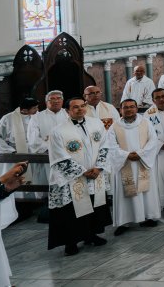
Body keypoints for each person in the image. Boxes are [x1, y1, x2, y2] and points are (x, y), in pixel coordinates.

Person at [46, 97, 111, 255]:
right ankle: (71, 242)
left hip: (95, 174)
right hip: (72, 178)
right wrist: (82, 171)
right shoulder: (58, 131)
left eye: (83, 106)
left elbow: (105, 145)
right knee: (70, 212)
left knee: (93, 206)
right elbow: (59, 156)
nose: (80, 109)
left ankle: (91, 235)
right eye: (75, 107)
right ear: (67, 111)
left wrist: (98, 167)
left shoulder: (97, 124)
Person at [107, 98, 162, 235]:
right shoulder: (114, 127)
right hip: (124, 164)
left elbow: (153, 141)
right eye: (126, 107)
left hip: (142, 162)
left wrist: (140, 154)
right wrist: (126, 155)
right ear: (121, 110)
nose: (129, 109)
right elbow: (110, 146)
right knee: (125, 194)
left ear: (136, 109)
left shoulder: (145, 123)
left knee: (145, 190)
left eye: (132, 107)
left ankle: (148, 217)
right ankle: (123, 222)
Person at [0, 97, 41, 227]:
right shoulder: (8, 118)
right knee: (17, 182)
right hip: (14, 155)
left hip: (35, 154)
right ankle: (19, 209)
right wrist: (10, 151)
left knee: (37, 182)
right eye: (34, 108)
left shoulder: (39, 117)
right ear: (24, 110)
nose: (37, 110)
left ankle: (37, 206)